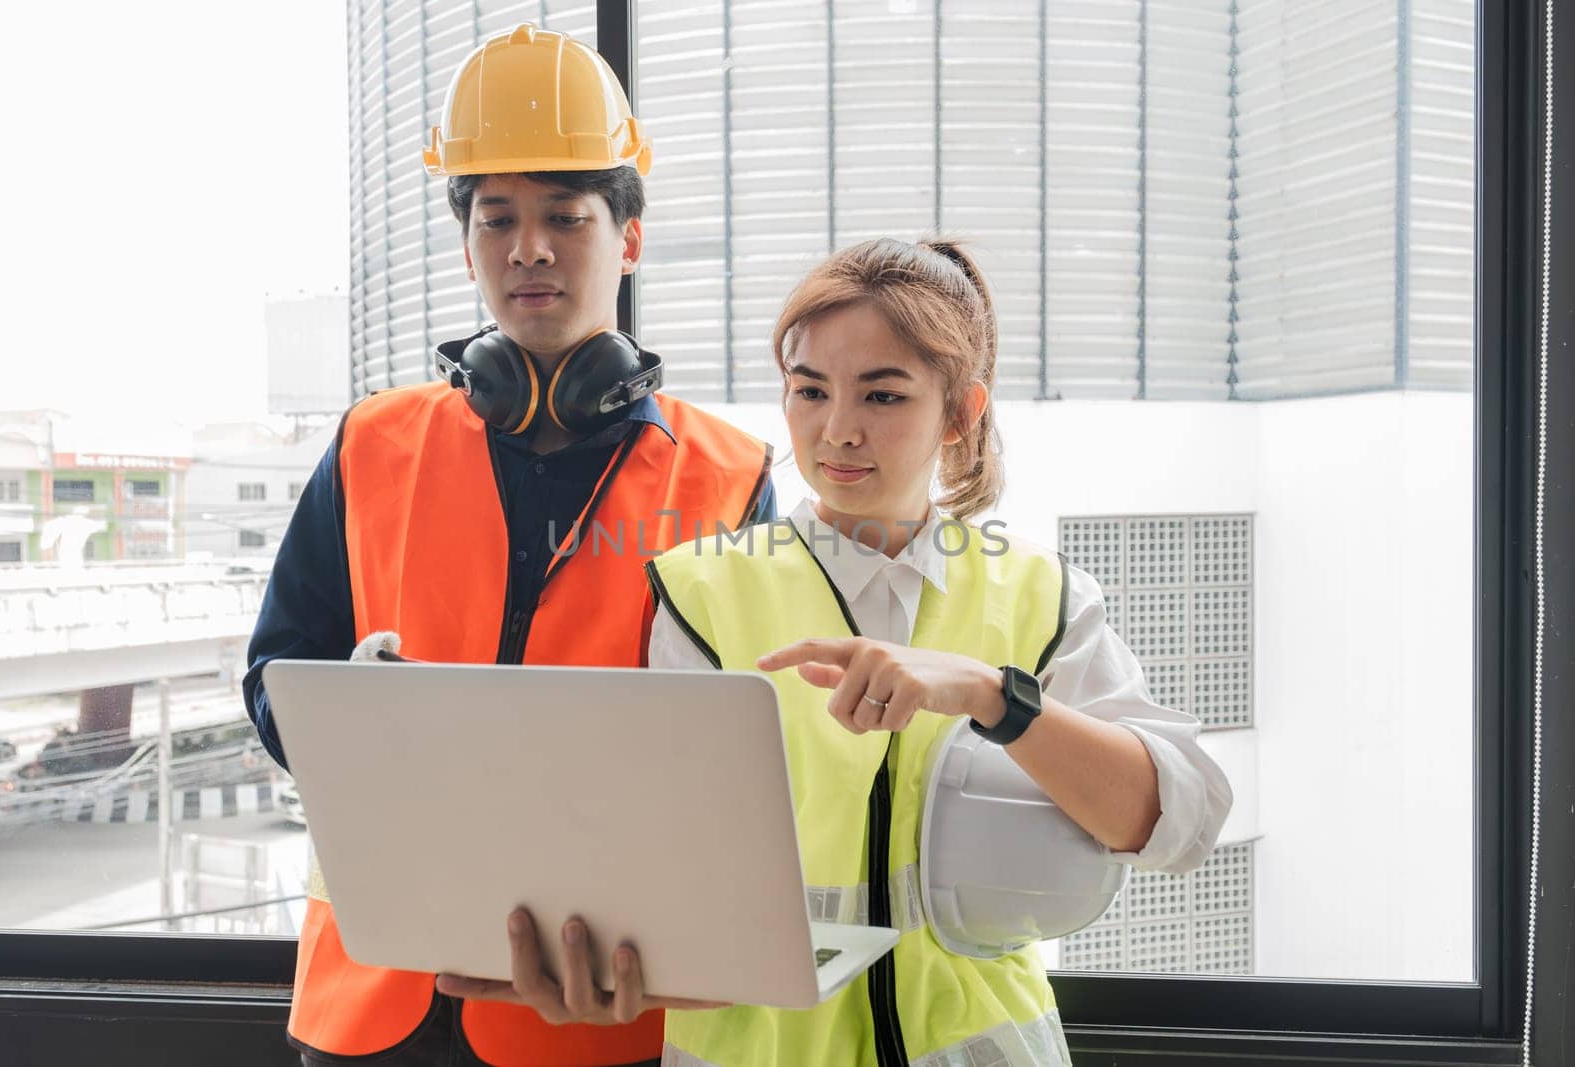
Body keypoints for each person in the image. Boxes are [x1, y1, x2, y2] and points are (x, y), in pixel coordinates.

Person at [243, 24, 776, 1067]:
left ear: (626, 236)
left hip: (595, 1006)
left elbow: (749, 761)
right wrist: (347, 722)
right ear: (469, 241)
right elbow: (274, 672)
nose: (527, 247)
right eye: (497, 220)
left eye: (564, 217)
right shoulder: (369, 445)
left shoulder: (730, 477)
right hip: (371, 1002)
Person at [638, 237, 1233, 1065]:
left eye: (882, 395)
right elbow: (655, 875)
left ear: (960, 411)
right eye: (809, 390)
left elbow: (1180, 824)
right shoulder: (700, 595)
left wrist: (996, 695)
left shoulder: (1041, 594)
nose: (837, 430)